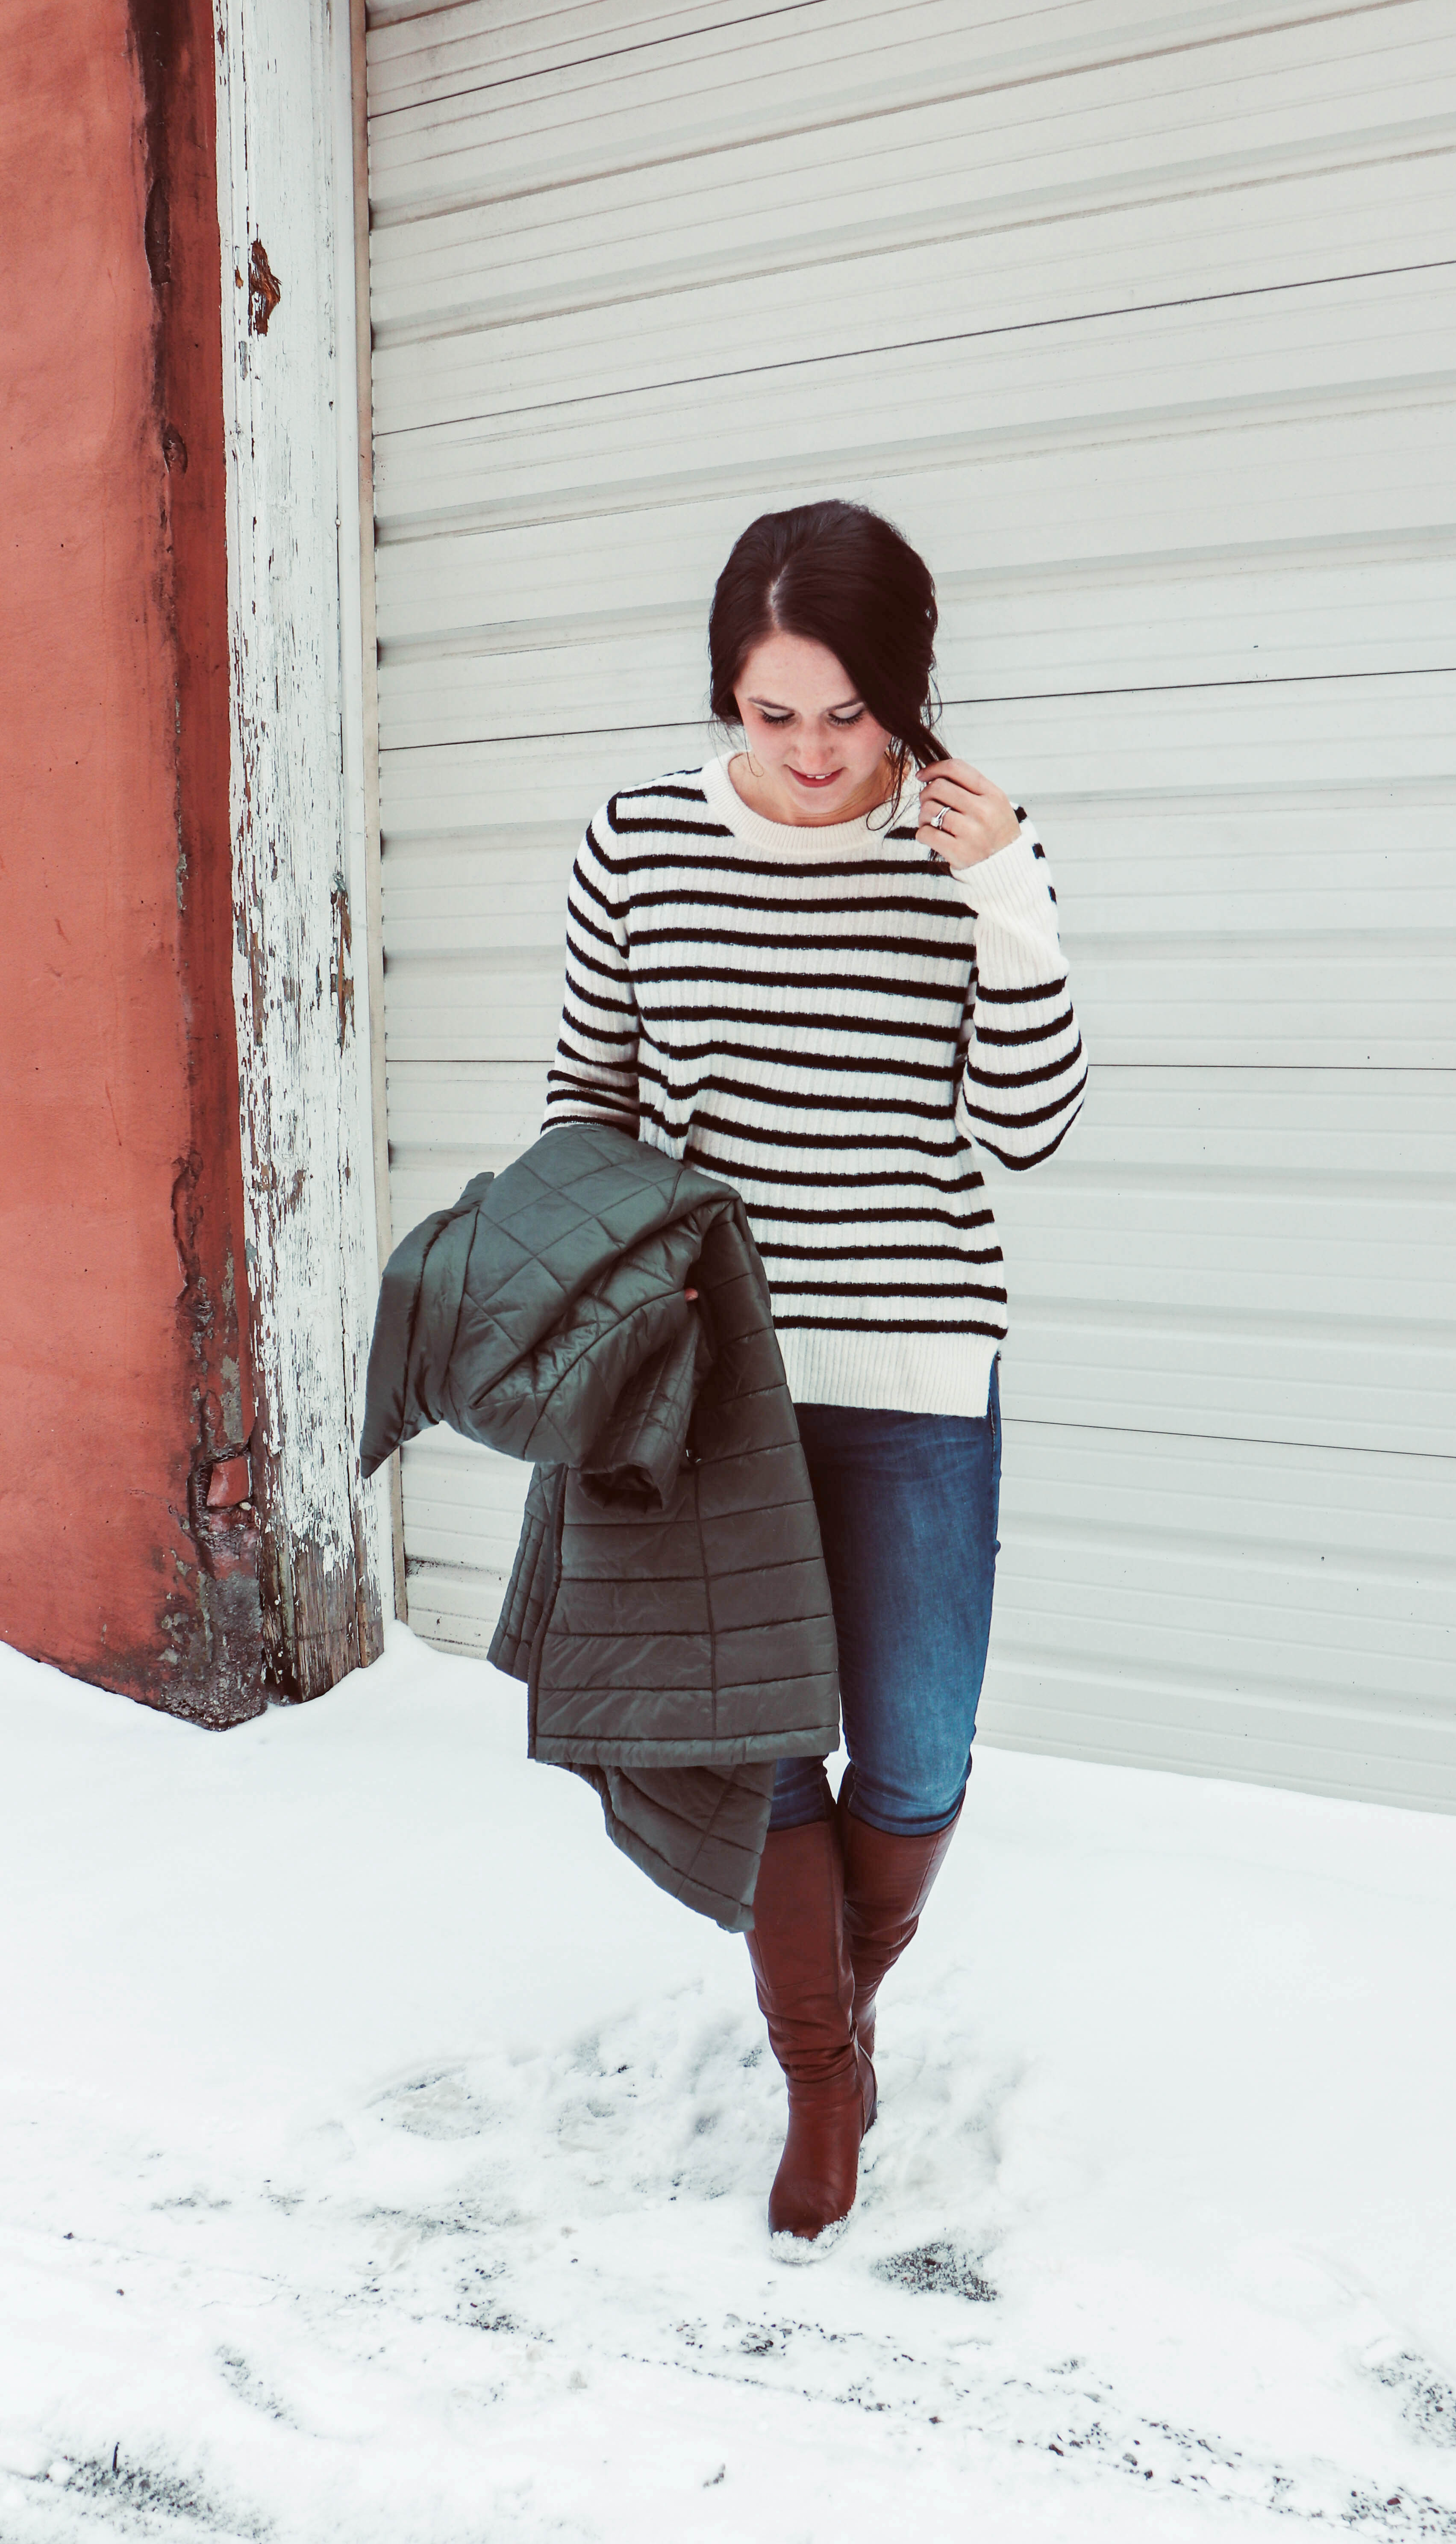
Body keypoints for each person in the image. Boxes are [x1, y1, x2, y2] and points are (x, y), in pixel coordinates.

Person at [541, 498, 1087, 2251]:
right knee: (767, 1749)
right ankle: (825, 2080)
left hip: (918, 1356)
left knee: (916, 1755)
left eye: (844, 715)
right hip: (711, 1380)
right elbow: (587, 1108)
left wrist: (1006, 895)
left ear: (906, 694)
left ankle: (826, 2021)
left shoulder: (969, 852)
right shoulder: (634, 844)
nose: (802, 752)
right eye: (766, 712)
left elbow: (1030, 1127)